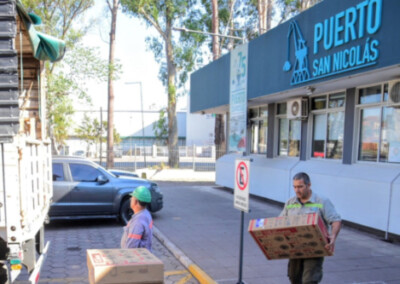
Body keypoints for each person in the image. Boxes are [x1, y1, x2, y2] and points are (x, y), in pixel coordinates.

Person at [280, 172, 341, 284]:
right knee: (294, 278)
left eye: (300, 187)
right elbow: (280, 222)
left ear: (309, 185)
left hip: (314, 249)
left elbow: (336, 220)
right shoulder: (290, 203)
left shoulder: (321, 201)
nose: (297, 190)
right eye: (294, 187)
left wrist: (333, 237)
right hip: (295, 249)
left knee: (309, 280)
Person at [121, 186, 153, 251]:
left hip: (138, 258)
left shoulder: (137, 222)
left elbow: (131, 248)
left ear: (135, 201)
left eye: (132, 197)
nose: (130, 199)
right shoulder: (146, 213)